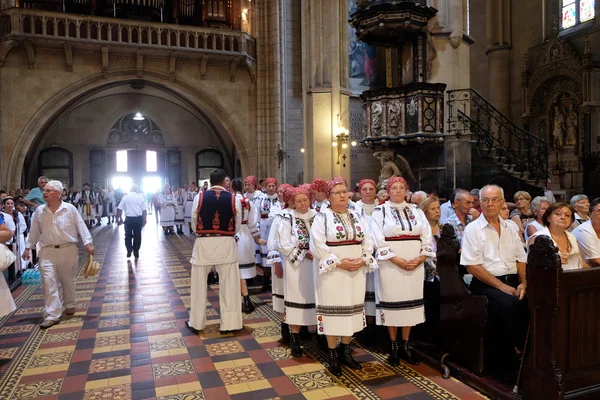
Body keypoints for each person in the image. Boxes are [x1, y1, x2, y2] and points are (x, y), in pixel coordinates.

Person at [310, 178, 376, 377]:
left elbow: (368, 240)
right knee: (334, 312)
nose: (342, 195)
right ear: (329, 197)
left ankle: (346, 351)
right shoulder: (322, 218)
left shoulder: (357, 216)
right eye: (337, 192)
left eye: (344, 192)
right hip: (333, 272)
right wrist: (339, 262)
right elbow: (318, 245)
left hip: (355, 270)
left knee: (352, 310)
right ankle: (332, 355)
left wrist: (364, 258)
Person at [460, 185, 529, 360]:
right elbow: (472, 267)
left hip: (513, 280)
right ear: (480, 203)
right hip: (486, 283)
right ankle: (521, 354)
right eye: (485, 200)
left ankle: (539, 349)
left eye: (495, 199)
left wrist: (524, 282)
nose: (490, 204)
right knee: (510, 303)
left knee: (539, 299)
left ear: (502, 202)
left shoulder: (511, 227)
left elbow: (521, 259)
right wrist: (502, 287)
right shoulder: (473, 229)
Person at [371, 177, 434, 366]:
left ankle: (406, 345)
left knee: (410, 304)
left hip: (414, 262)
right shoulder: (379, 211)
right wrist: (395, 259)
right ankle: (393, 346)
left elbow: (426, 235)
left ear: (407, 191)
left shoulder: (415, 210)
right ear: (388, 191)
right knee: (392, 302)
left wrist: (422, 257)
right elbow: (377, 237)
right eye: (394, 188)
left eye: (401, 188)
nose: (398, 191)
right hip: (390, 263)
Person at [23, 180, 94, 329]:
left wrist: (88, 243)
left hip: (68, 249)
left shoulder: (70, 209)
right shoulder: (40, 211)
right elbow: (34, 230)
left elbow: (81, 225)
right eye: (44, 190)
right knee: (49, 282)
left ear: (58, 193)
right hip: (47, 251)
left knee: (68, 280)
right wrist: (28, 247)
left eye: (48, 190)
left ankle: (69, 304)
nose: (44, 193)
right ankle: (52, 315)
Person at [187, 169, 242, 335]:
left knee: (198, 286)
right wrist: (229, 233)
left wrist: (201, 233)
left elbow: (194, 219)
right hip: (226, 244)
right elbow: (237, 222)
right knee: (229, 286)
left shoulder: (200, 196)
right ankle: (229, 324)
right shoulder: (234, 198)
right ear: (224, 181)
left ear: (210, 181)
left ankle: (196, 322)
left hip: (204, 244)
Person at [277, 186, 317, 357]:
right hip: (297, 267)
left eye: (305, 200)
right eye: (298, 201)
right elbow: (283, 243)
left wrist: (316, 253)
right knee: (297, 298)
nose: (302, 203)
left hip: (316, 264)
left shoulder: (318, 216)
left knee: (315, 297)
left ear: (310, 200)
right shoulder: (287, 218)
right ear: (292, 202)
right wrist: (303, 254)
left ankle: (320, 335)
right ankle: (295, 338)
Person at [231, 178, 263, 313]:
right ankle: (246, 299)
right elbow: (252, 223)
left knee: (235, 270)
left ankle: (243, 300)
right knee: (241, 272)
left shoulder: (230, 201)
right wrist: (257, 238)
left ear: (232, 188)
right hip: (246, 235)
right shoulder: (248, 202)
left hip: (233, 234)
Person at [529, 202, 586, 270]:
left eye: (567, 215)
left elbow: (583, 263)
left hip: (576, 277)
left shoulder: (572, 237)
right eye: (558, 214)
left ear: (571, 221)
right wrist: (552, 261)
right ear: (548, 218)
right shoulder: (538, 237)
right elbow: (532, 267)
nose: (563, 217)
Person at [354, 179, 379, 337]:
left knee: (376, 288)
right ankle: (362, 324)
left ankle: (376, 323)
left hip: (379, 255)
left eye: (371, 189)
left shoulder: (382, 208)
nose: (368, 191)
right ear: (360, 191)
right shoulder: (353, 209)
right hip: (361, 255)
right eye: (365, 189)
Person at [256, 177, 280, 292]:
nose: (271, 188)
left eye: (273, 186)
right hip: (264, 227)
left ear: (276, 187)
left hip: (276, 227)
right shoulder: (261, 198)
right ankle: (266, 281)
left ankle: (276, 280)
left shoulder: (279, 199)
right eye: (268, 186)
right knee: (265, 255)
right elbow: (256, 214)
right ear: (265, 187)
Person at [117, 184, 147, 260]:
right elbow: (144, 210)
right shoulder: (140, 198)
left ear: (130, 189)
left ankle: (129, 250)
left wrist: (119, 218)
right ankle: (136, 252)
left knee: (128, 235)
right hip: (138, 219)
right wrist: (144, 219)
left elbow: (119, 209)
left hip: (128, 219)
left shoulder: (125, 197)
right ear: (137, 189)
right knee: (138, 236)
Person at [573, 197, 600, 268]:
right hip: (581, 273)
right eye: (599, 211)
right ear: (590, 214)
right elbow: (596, 261)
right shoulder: (584, 230)